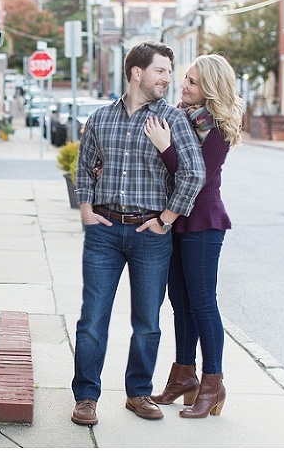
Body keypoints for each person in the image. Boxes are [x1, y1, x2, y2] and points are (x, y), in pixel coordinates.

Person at [70, 41, 205, 426]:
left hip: (150, 235)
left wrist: (166, 219)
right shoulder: (99, 118)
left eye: (169, 71)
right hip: (104, 232)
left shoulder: (174, 121)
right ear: (136, 72)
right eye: (161, 70)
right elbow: (84, 167)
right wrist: (85, 210)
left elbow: (194, 173)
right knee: (93, 318)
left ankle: (138, 392)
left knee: (147, 321)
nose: (168, 78)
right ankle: (86, 398)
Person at [143, 54, 242, 418]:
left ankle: (213, 382)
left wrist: (165, 147)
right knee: (179, 302)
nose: (183, 86)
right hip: (176, 222)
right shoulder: (178, 118)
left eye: (193, 82)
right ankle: (183, 375)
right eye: (184, 79)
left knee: (202, 302)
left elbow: (193, 175)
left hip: (203, 223)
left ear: (211, 88)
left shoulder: (218, 129)